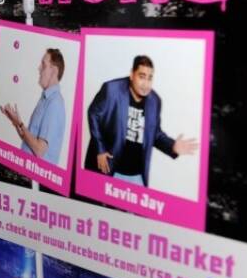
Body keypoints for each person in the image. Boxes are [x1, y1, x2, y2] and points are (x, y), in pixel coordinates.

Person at [83, 55, 198, 186]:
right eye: (142, 76)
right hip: (109, 169)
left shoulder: (155, 101)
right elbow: (93, 114)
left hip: (136, 177)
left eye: (150, 78)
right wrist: (100, 149)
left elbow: (155, 134)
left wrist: (172, 146)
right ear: (132, 74)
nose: (146, 83)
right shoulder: (112, 89)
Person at [0, 49, 67, 166]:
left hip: (36, 180)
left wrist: (20, 124)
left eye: (43, 65)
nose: (39, 68)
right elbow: (29, 140)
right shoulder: (45, 99)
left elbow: (39, 150)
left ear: (54, 71)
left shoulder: (55, 103)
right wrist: (15, 121)